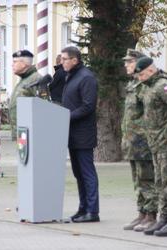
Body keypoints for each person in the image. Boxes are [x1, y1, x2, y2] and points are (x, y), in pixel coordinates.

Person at [135, 57, 167, 236]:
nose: (139, 78)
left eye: (141, 74)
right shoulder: (149, 87)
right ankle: (163, 217)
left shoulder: (164, 86)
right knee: (160, 182)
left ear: (150, 70)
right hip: (155, 143)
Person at [61, 46, 99, 223]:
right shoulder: (72, 76)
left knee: (87, 173)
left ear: (74, 60)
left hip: (83, 134)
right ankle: (82, 208)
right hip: (72, 133)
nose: (61, 63)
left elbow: (88, 106)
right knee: (78, 174)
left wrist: (65, 116)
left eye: (64, 59)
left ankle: (93, 211)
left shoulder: (86, 77)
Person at [121, 49, 158, 232]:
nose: (126, 65)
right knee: (138, 180)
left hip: (144, 141)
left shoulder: (146, 86)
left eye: (129, 62)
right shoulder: (133, 85)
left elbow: (151, 115)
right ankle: (142, 213)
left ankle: (151, 215)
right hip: (132, 142)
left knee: (147, 180)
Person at [8, 50, 42, 140]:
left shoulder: (35, 79)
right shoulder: (25, 79)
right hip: (23, 132)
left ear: (24, 64)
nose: (12, 65)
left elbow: (44, 105)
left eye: (15, 62)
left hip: (31, 133)